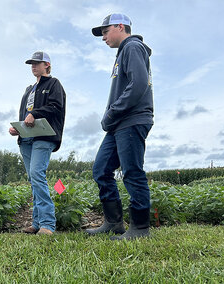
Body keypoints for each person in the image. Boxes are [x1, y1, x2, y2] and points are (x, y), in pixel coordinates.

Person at [86, 14, 154, 240]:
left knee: (132, 172)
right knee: (101, 170)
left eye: (106, 31)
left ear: (120, 27)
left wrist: (112, 112)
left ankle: (140, 229)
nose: (103, 37)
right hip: (118, 124)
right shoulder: (122, 53)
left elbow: (138, 85)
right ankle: (113, 222)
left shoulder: (133, 47)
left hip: (132, 119)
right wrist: (112, 117)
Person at [9, 51, 66, 235]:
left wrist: (36, 114)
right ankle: (36, 222)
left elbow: (56, 107)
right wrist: (18, 128)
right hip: (27, 139)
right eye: (31, 64)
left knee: (37, 173)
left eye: (37, 63)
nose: (33, 66)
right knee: (33, 179)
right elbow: (25, 114)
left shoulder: (54, 84)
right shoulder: (29, 90)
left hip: (44, 136)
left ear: (47, 65)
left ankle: (48, 224)